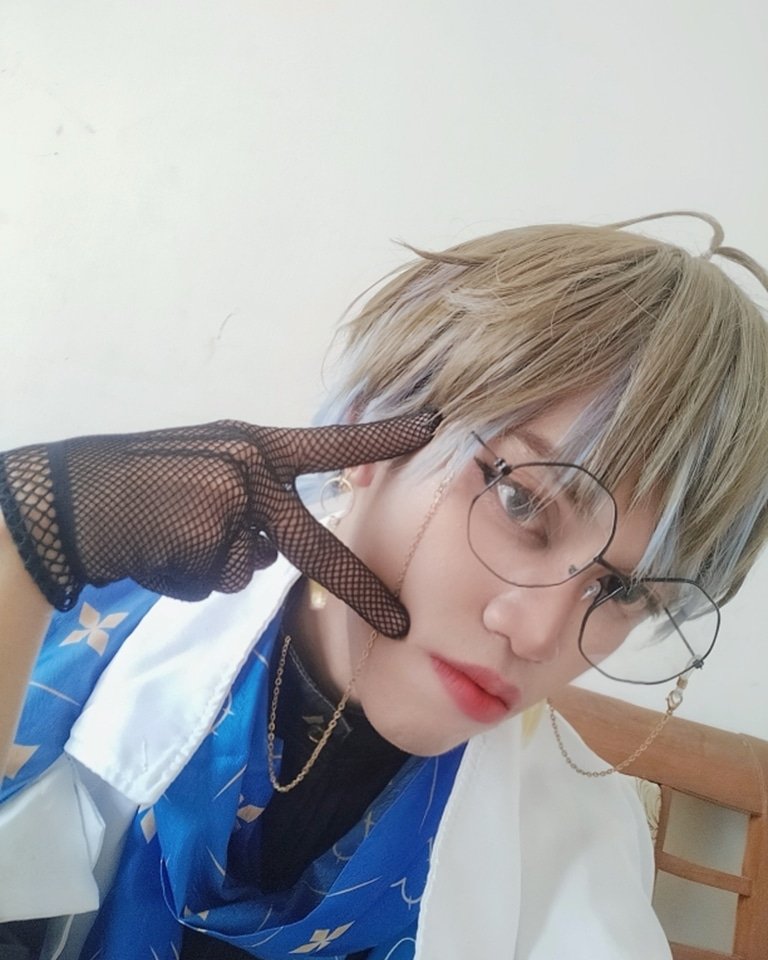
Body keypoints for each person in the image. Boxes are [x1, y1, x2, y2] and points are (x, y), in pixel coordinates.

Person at [0, 211, 766, 960]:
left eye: (624, 591)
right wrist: (16, 534)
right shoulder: (64, 634)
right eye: (521, 502)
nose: (538, 636)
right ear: (370, 430)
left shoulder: (577, 843)